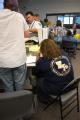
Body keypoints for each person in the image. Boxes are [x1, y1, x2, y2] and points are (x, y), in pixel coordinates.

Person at [0, 0, 30, 92]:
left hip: (3, 60)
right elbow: (27, 35)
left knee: (8, 86)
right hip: (18, 58)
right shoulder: (19, 16)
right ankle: (19, 103)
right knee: (19, 86)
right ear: (15, 6)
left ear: (4, 4)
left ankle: (11, 104)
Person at [36, 39, 74, 103]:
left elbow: (38, 73)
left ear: (43, 50)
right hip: (70, 86)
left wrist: (37, 59)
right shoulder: (65, 54)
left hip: (58, 90)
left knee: (38, 80)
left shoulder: (42, 61)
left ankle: (45, 100)